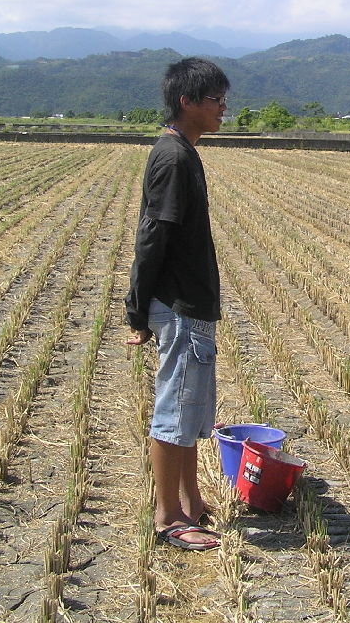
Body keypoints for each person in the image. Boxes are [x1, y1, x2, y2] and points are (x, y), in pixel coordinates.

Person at [126, 58, 230, 549]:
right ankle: (168, 518)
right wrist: (137, 309)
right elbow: (153, 237)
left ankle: (189, 499)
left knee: (189, 411)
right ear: (187, 102)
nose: (223, 108)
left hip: (192, 307)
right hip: (181, 306)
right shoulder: (173, 157)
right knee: (173, 411)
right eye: (215, 99)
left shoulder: (184, 152)